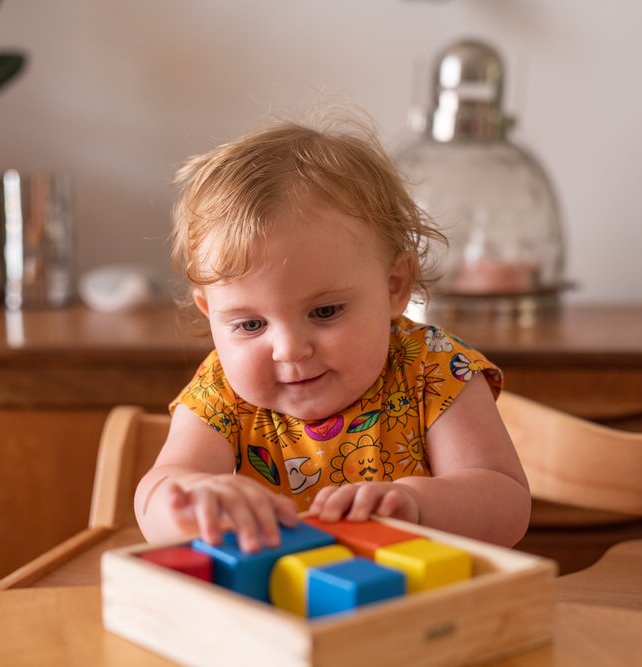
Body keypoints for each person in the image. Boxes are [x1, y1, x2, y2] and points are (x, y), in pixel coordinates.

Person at [134, 116, 530, 553]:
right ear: (210, 314)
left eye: (324, 311)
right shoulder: (221, 391)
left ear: (394, 286)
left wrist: (417, 504)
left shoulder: (435, 370)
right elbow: (157, 493)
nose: (289, 350)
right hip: (277, 609)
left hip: (419, 606)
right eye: (250, 324)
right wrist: (191, 503)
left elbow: (505, 504)